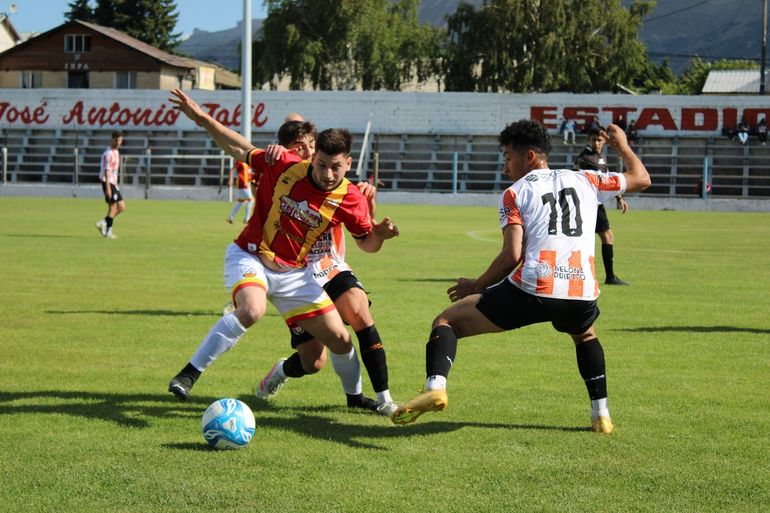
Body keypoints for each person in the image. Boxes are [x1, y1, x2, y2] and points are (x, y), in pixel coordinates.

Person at [390, 120, 651, 434]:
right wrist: (621, 145)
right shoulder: (586, 179)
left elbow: (511, 255)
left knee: (447, 321)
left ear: (529, 157)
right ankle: (601, 416)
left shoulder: (516, 192)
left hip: (536, 287)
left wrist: (475, 286)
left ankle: (435, 387)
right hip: (581, 291)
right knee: (586, 335)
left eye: (507, 157)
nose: (505, 166)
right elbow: (642, 179)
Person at [166, 89, 400, 409]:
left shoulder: (350, 197)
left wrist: (381, 235)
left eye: (334, 167)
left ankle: (355, 399)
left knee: (340, 341)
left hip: (297, 274)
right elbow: (240, 147)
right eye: (320, 165)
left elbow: (367, 243)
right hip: (251, 255)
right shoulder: (284, 164)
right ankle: (188, 374)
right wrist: (203, 119)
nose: (326, 174)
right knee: (252, 310)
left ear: (346, 163)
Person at [254, 119, 398, 416]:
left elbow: (366, 240)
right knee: (313, 362)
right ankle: (281, 371)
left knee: (359, 312)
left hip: (329, 266)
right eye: (300, 148)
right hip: (293, 273)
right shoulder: (284, 172)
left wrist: (375, 226)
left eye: (310, 144)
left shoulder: (340, 184)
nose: (306, 152)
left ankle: (380, 399)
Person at [573, 129, 630, 286]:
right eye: (594, 140)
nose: (596, 143)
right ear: (589, 140)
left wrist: (619, 197)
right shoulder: (585, 158)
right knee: (607, 236)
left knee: (597, 237)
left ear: (604, 141)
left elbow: (605, 178)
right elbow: (575, 177)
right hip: (590, 203)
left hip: (596, 203)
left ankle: (603, 276)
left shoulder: (601, 157)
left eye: (599, 140)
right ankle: (609, 277)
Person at [95, 131, 125, 239]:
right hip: (108, 182)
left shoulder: (116, 152)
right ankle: (108, 231)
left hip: (113, 183)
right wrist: (108, 188)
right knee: (113, 207)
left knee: (121, 207)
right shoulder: (109, 154)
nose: (118, 142)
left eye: (120, 140)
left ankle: (103, 223)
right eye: (116, 140)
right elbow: (107, 172)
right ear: (111, 139)